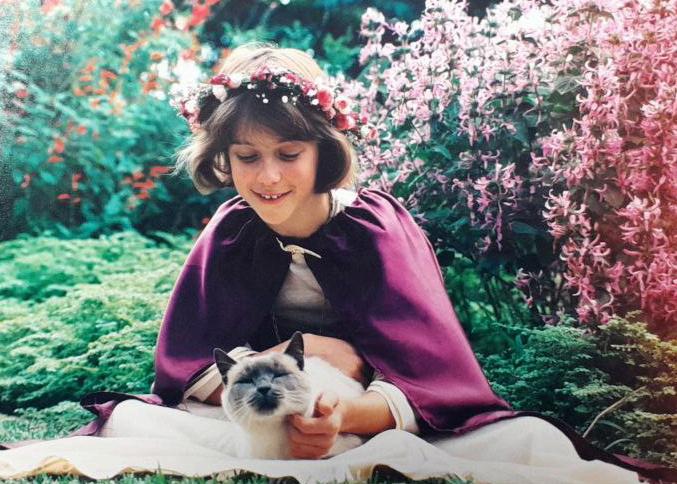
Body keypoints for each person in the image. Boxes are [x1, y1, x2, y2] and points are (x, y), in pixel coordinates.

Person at [0, 43, 672, 483]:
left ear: (323, 151)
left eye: (288, 154)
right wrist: (291, 371)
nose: (267, 177)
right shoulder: (232, 230)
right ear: (222, 159)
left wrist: (340, 410)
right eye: (246, 157)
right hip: (261, 397)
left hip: (370, 403)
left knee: (526, 445)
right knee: (135, 421)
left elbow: (431, 372)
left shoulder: (373, 226)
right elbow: (189, 364)